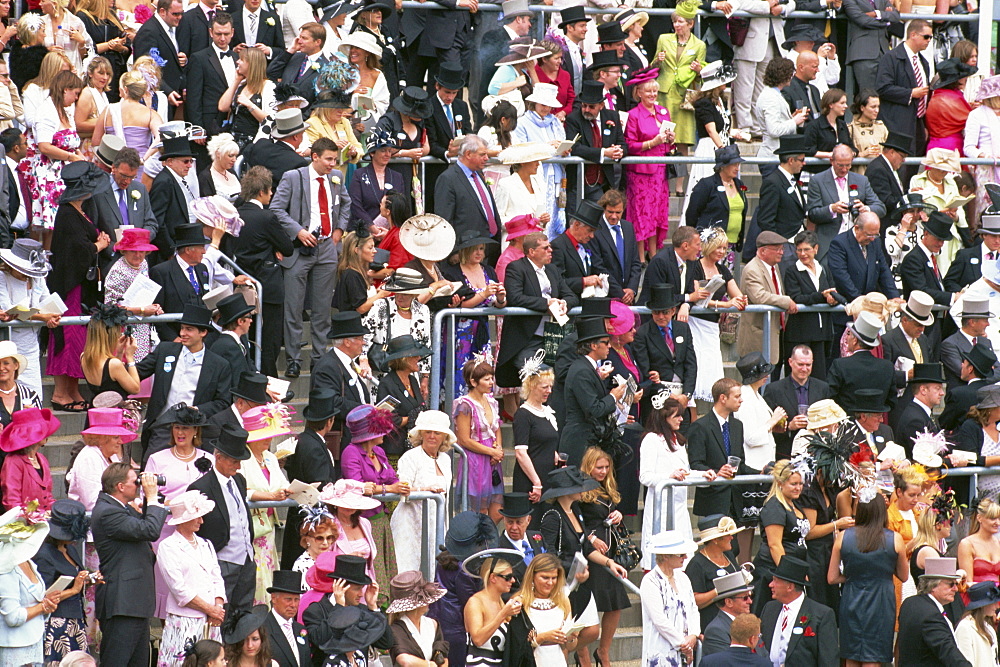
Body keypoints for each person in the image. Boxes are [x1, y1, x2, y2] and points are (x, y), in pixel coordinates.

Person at [271, 136, 351, 379]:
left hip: (327, 247)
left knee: (322, 307)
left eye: (334, 159)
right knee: (294, 307)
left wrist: (339, 231)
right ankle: (294, 358)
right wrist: (298, 231)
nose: (332, 164)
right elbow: (276, 208)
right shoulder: (293, 177)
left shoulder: (336, 176)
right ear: (314, 157)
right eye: (328, 159)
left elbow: (346, 204)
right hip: (299, 249)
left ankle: (318, 359)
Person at [91, 462, 169, 665]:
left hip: (134, 602)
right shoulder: (108, 512)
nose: (139, 484)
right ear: (120, 486)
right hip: (122, 603)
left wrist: (149, 497)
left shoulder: (120, 508)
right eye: (135, 482)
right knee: (117, 661)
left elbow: (146, 522)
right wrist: (150, 497)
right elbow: (150, 530)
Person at [135, 304, 232, 460]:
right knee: (150, 470)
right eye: (182, 328)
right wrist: (124, 359)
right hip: (163, 426)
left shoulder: (219, 364)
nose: (182, 333)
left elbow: (223, 401)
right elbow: (138, 372)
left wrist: (198, 409)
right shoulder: (165, 350)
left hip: (195, 430)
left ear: (203, 332)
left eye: (189, 329)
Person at [827, 496, 907, 666]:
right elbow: (904, 576)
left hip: (852, 597)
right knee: (874, 656)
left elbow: (832, 577)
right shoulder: (895, 539)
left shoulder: (842, 537)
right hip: (881, 601)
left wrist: (852, 577)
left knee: (851, 656)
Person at [186, 424, 256, 614]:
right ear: (218, 457)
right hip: (221, 558)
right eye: (234, 461)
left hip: (247, 559)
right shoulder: (200, 487)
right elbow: (193, 529)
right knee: (221, 613)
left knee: (244, 612)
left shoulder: (239, 481)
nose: (238, 466)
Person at [340, 405, 406, 602]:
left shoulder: (379, 451)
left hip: (382, 519)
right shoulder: (350, 453)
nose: (385, 433)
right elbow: (357, 486)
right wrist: (388, 490)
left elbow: (392, 479)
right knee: (375, 571)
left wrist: (399, 486)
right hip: (363, 522)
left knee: (388, 570)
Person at [156, 490, 227, 666]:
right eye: (196, 517)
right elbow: (179, 589)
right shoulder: (168, 546)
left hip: (211, 621)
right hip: (184, 619)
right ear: (183, 519)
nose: (201, 521)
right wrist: (211, 610)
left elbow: (217, 578)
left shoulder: (206, 544)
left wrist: (217, 609)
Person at [578, 447, 631, 666]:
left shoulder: (607, 485)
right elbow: (576, 521)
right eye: (599, 467)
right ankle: (582, 654)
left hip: (609, 547)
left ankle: (603, 651)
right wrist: (590, 538)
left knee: (615, 603)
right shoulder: (580, 488)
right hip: (590, 548)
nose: (603, 471)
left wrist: (618, 513)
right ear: (589, 466)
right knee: (586, 606)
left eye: (606, 467)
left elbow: (612, 507)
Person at [240, 405, 293, 604]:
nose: (268, 439)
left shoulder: (270, 458)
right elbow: (241, 490)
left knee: (270, 574)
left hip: (269, 526)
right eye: (264, 435)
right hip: (251, 527)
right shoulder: (242, 459)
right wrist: (270, 496)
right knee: (256, 578)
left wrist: (290, 491)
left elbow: (283, 484)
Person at [300, 554, 392, 666]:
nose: (361, 594)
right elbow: (320, 641)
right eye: (357, 589)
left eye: (361, 588)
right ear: (341, 587)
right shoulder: (315, 611)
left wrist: (373, 607)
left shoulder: (362, 611)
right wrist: (339, 608)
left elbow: (386, 643)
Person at [559, 318, 627, 466]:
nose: (610, 346)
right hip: (580, 442)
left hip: (588, 440)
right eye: (606, 342)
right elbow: (594, 409)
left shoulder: (586, 368)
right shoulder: (581, 370)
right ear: (593, 345)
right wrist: (613, 396)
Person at [391, 410, 453, 572]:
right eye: (428, 432)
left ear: (444, 437)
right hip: (410, 522)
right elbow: (402, 489)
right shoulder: (410, 457)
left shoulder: (445, 459)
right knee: (409, 568)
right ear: (421, 434)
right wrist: (425, 490)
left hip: (437, 522)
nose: (432, 436)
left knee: (434, 568)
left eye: (437, 433)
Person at [0, 504, 61, 667]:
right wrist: (42, 607)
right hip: (15, 648)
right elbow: (13, 617)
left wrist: (47, 604)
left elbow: (35, 602)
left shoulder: (29, 562)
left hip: (34, 641)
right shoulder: (6, 568)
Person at [625, 68, 674, 262]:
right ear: (638, 93)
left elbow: (669, 143)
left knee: (656, 214)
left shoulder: (663, 111)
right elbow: (630, 145)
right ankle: (640, 257)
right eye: (648, 91)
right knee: (640, 214)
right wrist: (652, 143)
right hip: (640, 173)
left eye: (654, 91)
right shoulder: (633, 115)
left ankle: (653, 253)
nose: (652, 95)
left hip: (660, 171)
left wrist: (671, 139)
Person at [34, 499, 91, 664]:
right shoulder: (44, 554)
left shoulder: (70, 549)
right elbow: (43, 596)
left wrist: (89, 579)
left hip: (75, 619)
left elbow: (75, 576)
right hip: (57, 623)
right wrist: (74, 590)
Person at [751, 459, 810, 614]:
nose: (798, 488)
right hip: (773, 571)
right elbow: (775, 545)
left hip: (792, 567)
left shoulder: (792, 503)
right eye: (794, 484)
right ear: (780, 483)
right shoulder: (774, 507)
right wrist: (788, 575)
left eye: (800, 484)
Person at [0, 239, 56, 400]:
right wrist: (42, 317)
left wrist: (52, 315)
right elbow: (9, 310)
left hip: (31, 344)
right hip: (8, 342)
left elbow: (47, 301)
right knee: (10, 393)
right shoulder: (2, 277)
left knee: (34, 394)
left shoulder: (36, 277)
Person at [758, 555, 838, 666]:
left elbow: (828, 660)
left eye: (776, 581)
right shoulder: (769, 608)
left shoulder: (822, 615)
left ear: (790, 587)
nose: (770, 585)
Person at [638, 530, 700, 667]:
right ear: (666, 556)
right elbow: (659, 620)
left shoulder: (683, 578)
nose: (685, 557)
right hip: (661, 651)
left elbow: (693, 609)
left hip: (686, 651)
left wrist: (694, 635)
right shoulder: (650, 581)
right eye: (680, 554)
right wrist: (684, 644)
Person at [737, 231, 798, 368]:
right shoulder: (752, 269)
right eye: (777, 249)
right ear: (763, 251)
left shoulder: (774, 267)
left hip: (775, 333)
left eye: (782, 249)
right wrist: (786, 301)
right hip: (757, 339)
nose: (781, 252)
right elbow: (759, 296)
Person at [897, 557, 973, 666]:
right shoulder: (931, 616)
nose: (956, 589)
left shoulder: (909, 603)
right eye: (951, 584)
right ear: (933, 586)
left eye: (956, 584)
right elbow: (948, 652)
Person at [506, 552, 577, 667]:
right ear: (532, 576)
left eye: (554, 578)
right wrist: (543, 637)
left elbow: (570, 647)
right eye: (545, 577)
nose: (550, 582)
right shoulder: (519, 601)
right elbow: (513, 645)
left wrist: (572, 637)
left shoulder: (563, 600)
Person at [454, 360, 504, 519]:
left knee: (497, 512)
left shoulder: (491, 401)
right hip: (476, 459)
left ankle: (489, 542)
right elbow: (464, 440)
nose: (491, 382)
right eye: (487, 379)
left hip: (493, 458)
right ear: (473, 382)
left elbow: (497, 427)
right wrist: (491, 452)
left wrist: (499, 449)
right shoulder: (465, 405)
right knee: (480, 510)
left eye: (492, 378)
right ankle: (481, 543)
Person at [90, 71, 159, 178]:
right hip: (139, 169)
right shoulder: (150, 114)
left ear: (125, 89)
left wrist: (107, 162)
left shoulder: (109, 110)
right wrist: (144, 158)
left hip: (113, 168)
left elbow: (95, 143)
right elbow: (162, 137)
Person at [462, 548, 523, 667]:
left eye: (512, 576)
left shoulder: (501, 603)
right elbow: (478, 639)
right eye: (508, 577)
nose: (513, 580)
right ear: (493, 578)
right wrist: (503, 615)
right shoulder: (475, 602)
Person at [512, 363, 558, 500]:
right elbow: (521, 453)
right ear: (532, 386)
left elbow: (545, 442)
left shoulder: (547, 411)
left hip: (547, 477)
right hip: (531, 483)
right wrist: (536, 483)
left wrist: (555, 456)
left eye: (550, 387)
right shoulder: (523, 414)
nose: (549, 391)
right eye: (544, 387)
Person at [0, 407, 58, 511]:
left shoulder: (41, 459)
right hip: (23, 524)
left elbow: (48, 496)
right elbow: (12, 502)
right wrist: (34, 518)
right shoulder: (13, 461)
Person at [386, 571, 449, 667]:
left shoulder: (433, 624)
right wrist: (430, 665)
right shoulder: (396, 629)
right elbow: (405, 660)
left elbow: (443, 657)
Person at [755, 58, 810, 169]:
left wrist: (792, 117)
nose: (792, 76)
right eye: (790, 73)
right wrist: (794, 121)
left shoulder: (773, 94)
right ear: (783, 75)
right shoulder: (770, 97)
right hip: (772, 156)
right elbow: (774, 130)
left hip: (775, 156)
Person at [350, 131, 405, 235]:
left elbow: (400, 206)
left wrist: (388, 232)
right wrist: (371, 227)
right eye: (383, 151)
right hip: (363, 233)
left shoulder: (397, 177)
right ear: (372, 153)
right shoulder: (359, 174)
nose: (387, 154)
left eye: (389, 151)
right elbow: (355, 205)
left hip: (390, 233)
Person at [963, 75, 1000, 223]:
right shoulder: (976, 115)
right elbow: (968, 147)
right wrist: (984, 156)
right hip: (987, 169)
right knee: (987, 211)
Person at [926, 58, 975, 153]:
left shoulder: (936, 96)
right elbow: (969, 118)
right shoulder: (953, 98)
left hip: (933, 145)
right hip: (951, 146)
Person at [701, 572, 754, 657]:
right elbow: (728, 662)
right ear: (729, 602)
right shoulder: (716, 631)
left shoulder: (749, 624)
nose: (750, 601)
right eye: (745, 598)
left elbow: (763, 653)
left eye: (751, 596)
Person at [263, 570, 309, 667]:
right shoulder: (263, 629)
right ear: (274, 598)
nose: (293, 605)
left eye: (296, 600)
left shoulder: (301, 629)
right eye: (288, 599)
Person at [955, 581, 1000, 667]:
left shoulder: (988, 627)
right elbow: (965, 663)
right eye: (993, 603)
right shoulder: (965, 628)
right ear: (982, 605)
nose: (997, 606)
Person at [803, 89, 854, 162]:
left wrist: (852, 153)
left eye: (845, 103)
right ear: (831, 104)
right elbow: (808, 150)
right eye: (842, 103)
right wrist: (830, 155)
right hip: (817, 170)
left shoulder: (842, 125)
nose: (846, 106)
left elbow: (851, 147)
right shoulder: (814, 126)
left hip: (838, 170)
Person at [957, 497, 1000, 584]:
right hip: (976, 594)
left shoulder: (998, 543)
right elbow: (967, 582)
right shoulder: (967, 544)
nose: (997, 523)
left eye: (999, 519)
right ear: (979, 518)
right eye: (992, 518)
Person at [847, 90, 889, 173]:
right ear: (862, 108)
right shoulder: (850, 128)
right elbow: (844, 155)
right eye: (873, 107)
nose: (877, 110)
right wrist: (862, 154)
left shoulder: (881, 127)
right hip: (860, 175)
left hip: (880, 175)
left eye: (878, 106)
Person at [197, 134, 241, 202]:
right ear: (218, 153)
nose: (234, 160)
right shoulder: (206, 177)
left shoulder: (232, 172)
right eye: (231, 156)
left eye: (236, 156)